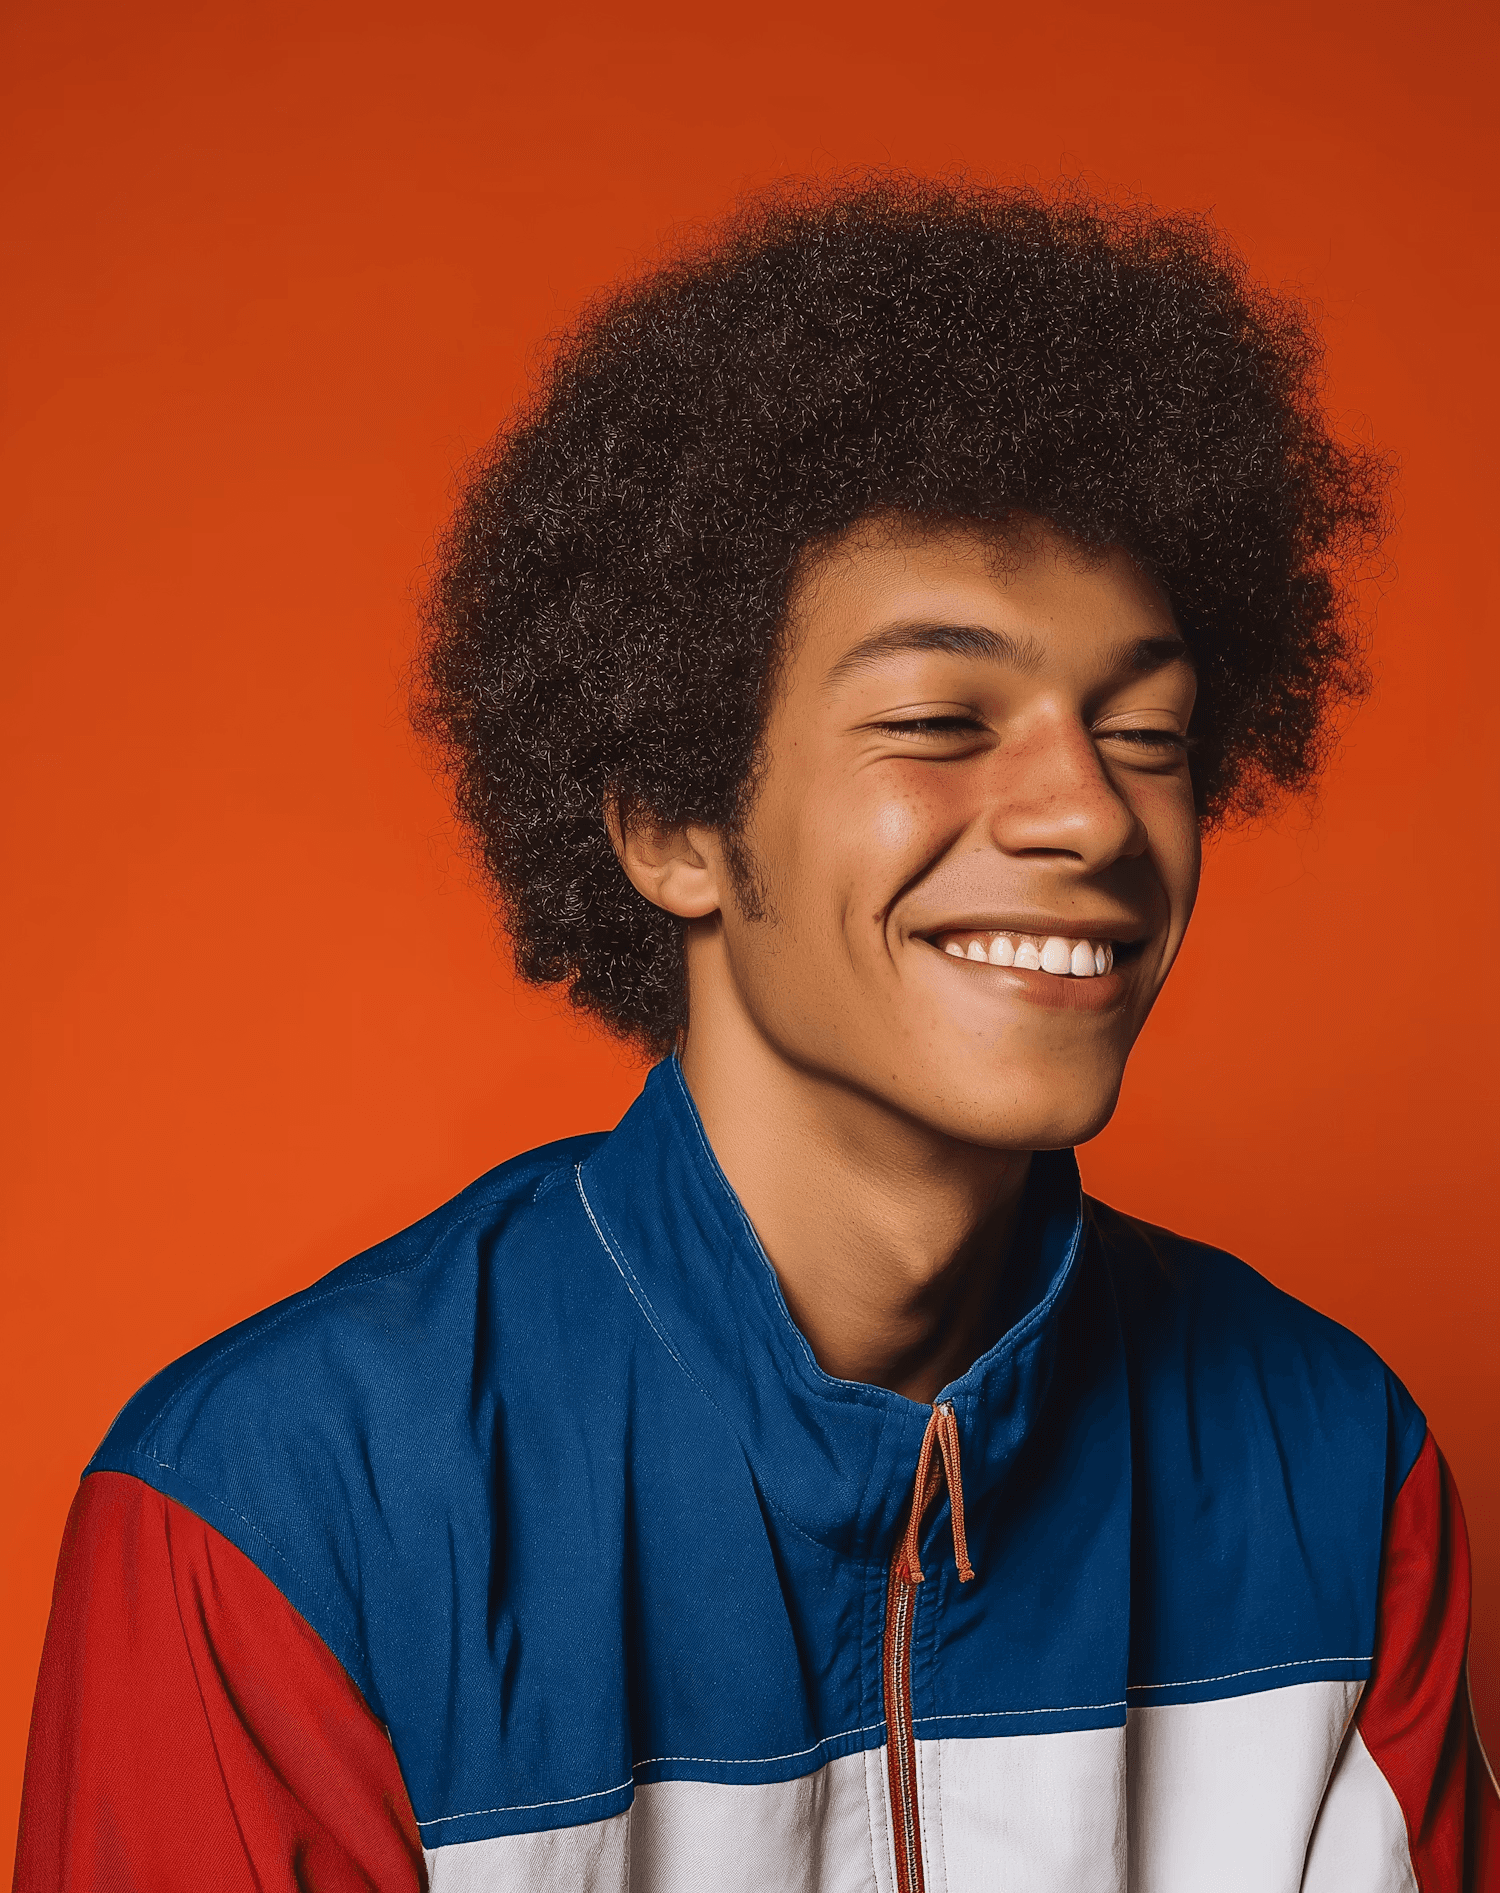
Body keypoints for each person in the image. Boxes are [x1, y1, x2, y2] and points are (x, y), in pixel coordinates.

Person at [15, 177, 1498, 1891]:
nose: (1091, 813)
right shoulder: (275, 1518)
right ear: (672, 823)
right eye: (939, 719)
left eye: (1148, 734)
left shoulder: (1339, 1473)